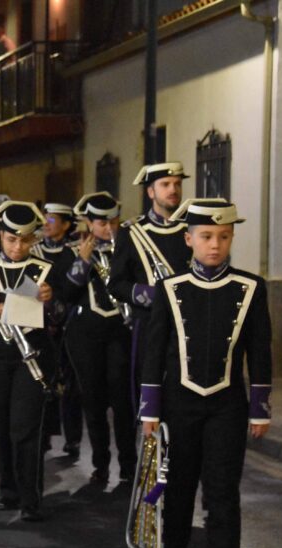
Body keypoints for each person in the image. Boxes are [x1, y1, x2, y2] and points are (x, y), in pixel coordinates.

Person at [139, 198, 271, 548]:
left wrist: (260, 406)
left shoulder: (250, 288)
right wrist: (150, 409)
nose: (215, 245)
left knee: (222, 493)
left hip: (227, 405)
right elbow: (154, 352)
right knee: (178, 488)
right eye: (207, 236)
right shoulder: (171, 289)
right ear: (189, 238)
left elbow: (260, 350)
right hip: (180, 404)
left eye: (224, 237)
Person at [0, 200, 58, 521]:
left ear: (33, 239)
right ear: (1, 237)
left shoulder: (46, 270)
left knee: (26, 427)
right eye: (11, 239)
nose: (17, 246)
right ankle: (9, 491)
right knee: (4, 426)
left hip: (31, 357)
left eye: (24, 240)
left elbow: (64, 314)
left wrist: (50, 302)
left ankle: (30, 499)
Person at [63, 192, 135, 484]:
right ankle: (100, 465)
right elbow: (66, 293)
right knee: (92, 402)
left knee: (122, 402)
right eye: (102, 223)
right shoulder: (72, 250)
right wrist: (82, 261)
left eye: (113, 222)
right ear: (90, 223)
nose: (109, 228)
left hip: (119, 332)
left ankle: (128, 465)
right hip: (86, 337)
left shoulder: (127, 248)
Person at [109, 162, 192, 407]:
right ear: (151, 192)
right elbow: (116, 284)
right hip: (150, 324)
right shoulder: (132, 232)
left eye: (177, 184)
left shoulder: (193, 228)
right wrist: (148, 294)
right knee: (150, 394)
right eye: (165, 185)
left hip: (188, 323)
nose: (173, 189)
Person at [34, 202, 83, 461]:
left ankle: (73, 438)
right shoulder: (34, 250)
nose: (46, 223)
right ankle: (43, 436)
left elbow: (75, 289)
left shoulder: (72, 253)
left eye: (52, 219)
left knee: (71, 386)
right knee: (43, 385)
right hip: (39, 325)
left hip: (68, 325)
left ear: (65, 225)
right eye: (45, 218)